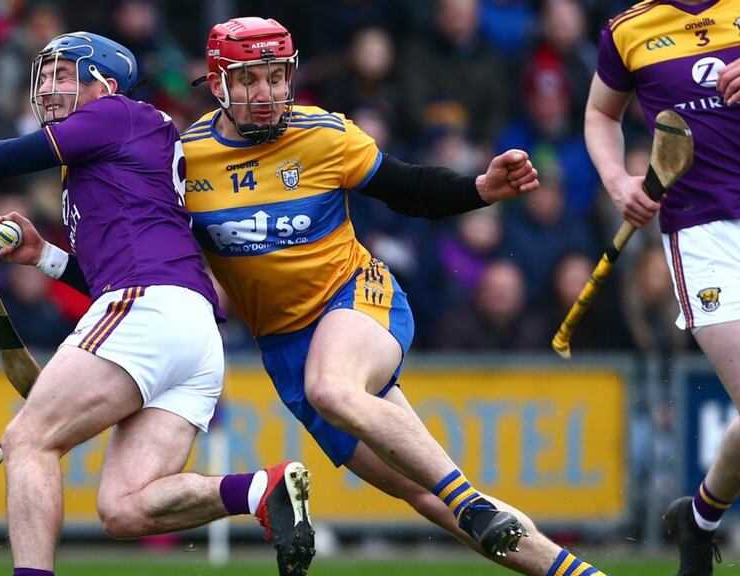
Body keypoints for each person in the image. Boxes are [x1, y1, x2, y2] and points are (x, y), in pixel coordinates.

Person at [179, 16, 608, 576]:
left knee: (334, 388)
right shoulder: (183, 162)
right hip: (284, 348)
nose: (266, 94)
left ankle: (471, 502)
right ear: (218, 85)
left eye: (277, 76)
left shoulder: (325, 135)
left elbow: (407, 188)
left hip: (356, 298)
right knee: (430, 496)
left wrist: (480, 189)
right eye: (249, 80)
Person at [0, 32, 314, 576]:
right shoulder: (106, 161)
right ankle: (259, 490)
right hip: (189, 331)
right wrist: (43, 256)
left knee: (28, 440)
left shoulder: (121, 114)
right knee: (125, 506)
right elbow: (106, 275)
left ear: (106, 87)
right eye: (44, 77)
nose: (47, 87)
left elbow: (23, 153)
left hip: (149, 310)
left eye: (64, 76)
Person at [587, 2, 740, 574]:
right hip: (702, 235)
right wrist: (615, 180)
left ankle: (697, 519)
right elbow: (601, 116)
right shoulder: (628, 28)